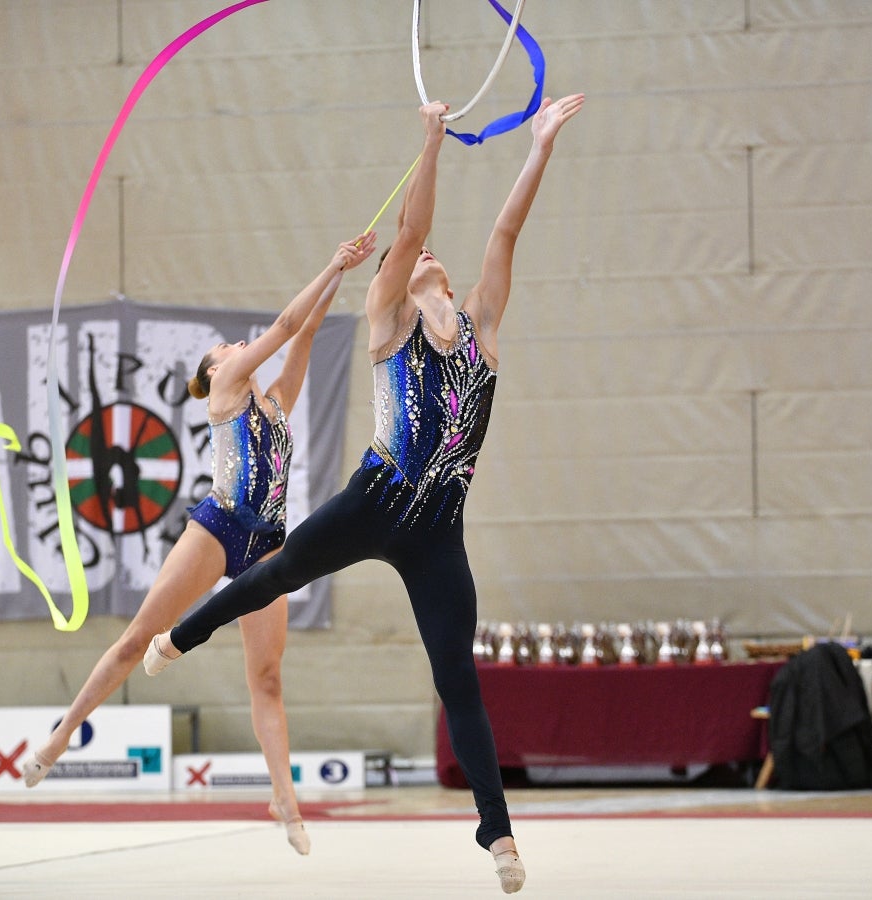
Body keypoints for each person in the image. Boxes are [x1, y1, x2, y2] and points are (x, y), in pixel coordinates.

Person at [143, 93, 585, 894]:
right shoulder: (387, 320)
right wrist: (430, 141)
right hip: (372, 498)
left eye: (429, 258)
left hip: (438, 531)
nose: (421, 255)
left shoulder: (483, 327)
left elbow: (506, 233)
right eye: (408, 257)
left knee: (458, 674)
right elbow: (411, 231)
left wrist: (541, 145)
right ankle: (182, 636)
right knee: (272, 575)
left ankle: (500, 836)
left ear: (446, 281)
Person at [21, 230, 378, 857]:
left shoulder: (273, 403)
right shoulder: (227, 387)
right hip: (218, 527)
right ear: (215, 371)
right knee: (137, 637)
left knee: (267, 677)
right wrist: (329, 263)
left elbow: (308, 333)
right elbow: (287, 324)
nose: (238, 346)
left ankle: (283, 798)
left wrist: (342, 273)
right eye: (227, 348)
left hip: (268, 544)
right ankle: (61, 734)